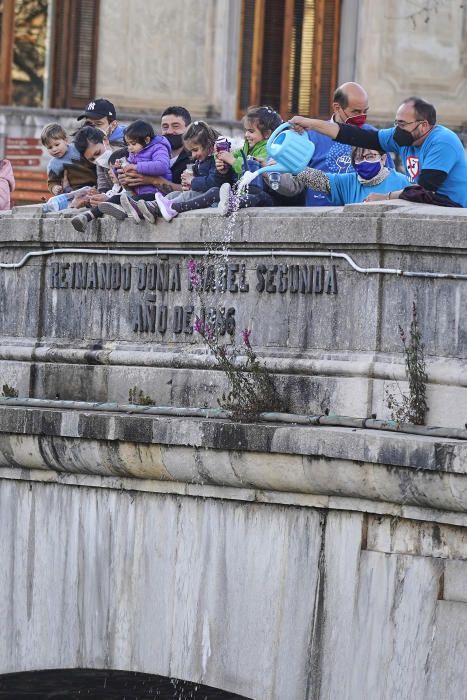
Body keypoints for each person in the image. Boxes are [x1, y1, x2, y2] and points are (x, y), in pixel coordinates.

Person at [290, 96, 467, 207]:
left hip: (452, 212)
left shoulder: (442, 142)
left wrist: (385, 197)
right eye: (396, 123)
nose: (397, 129)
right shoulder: (404, 138)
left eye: (402, 124)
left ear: (424, 125)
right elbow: (355, 136)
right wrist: (311, 124)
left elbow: (425, 189)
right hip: (427, 210)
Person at [281, 82, 394, 206]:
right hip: (319, 215)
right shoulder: (310, 136)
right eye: (356, 112)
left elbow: (390, 178)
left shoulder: (374, 136)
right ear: (337, 107)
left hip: (362, 213)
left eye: (365, 112)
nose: (361, 117)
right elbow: (293, 184)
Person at [269, 146, 408, 205]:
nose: (365, 161)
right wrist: (293, 167)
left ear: (383, 158)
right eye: (359, 158)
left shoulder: (403, 182)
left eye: (370, 156)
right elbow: (321, 180)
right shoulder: (348, 182)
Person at [118, 106, 192, 195]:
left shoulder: (194, 157)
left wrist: (152, 180)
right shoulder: (139, 150)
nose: (169, 131)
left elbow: (192, 192)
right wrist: (125, 177)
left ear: (188, 129)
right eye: (165, 127)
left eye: (176, 126)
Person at [41, 122, 97, 194]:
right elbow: (52, 182)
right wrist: (55, 188)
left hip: (95, 185)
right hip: (75, 191)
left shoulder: (77, 148)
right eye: (50, 147)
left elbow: (93, 160)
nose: (54, 149)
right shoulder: (53, 165)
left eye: (57, 145)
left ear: (66, 141)